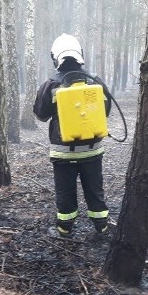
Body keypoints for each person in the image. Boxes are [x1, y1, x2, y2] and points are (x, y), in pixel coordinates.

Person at [33, 33, 112, 238]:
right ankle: (102, 226)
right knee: (95, 190)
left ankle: (64, 229)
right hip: (92, 152)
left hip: (63, 154)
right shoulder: (95, 82)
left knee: (65, 192)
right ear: (80, 55)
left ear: (55, 57)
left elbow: (41, 114)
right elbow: (105, 111)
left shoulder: (51, 85)